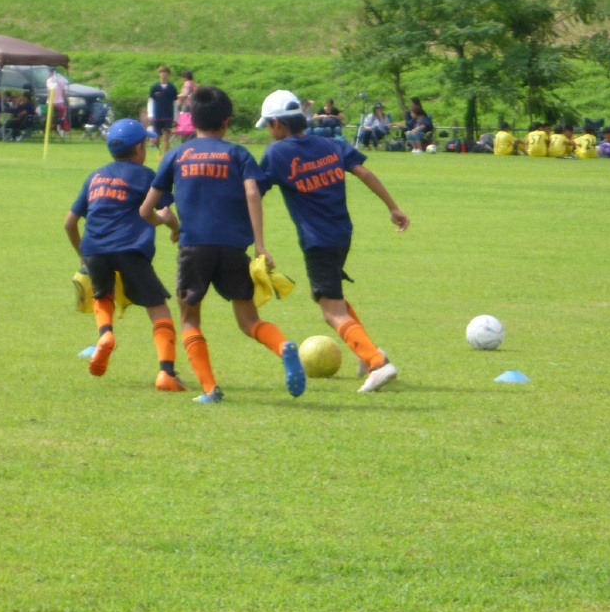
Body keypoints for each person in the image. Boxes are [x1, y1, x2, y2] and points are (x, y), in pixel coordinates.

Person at [140, 85, 305, 404]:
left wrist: (167, 223)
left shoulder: (176, 155)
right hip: (233, 249)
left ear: (191, 120)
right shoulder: (238, 154)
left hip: (194, 248)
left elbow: (146, 210)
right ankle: (282, 345)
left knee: (190, 319)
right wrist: (260, 246)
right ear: (227, 122)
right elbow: (253, 192)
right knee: (249, 320)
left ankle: (209, 389)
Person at [256, 89, 409, 393]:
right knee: (330, 298)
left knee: (331, 310)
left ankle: (377, 362)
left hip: (318, 241)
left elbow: (253, 192)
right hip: (342, 234)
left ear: (277, 123)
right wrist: (392, 207)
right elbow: (364, 172)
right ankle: (367, 353)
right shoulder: (330, 144)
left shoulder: (277, 153)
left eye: (268, 126)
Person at [65, 119, 186, 390]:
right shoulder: (146, 176)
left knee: (103, 295)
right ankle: (167, 373)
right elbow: (165, 212)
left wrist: (82, 255)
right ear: (139, 148)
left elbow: (69, 222)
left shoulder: (96, 176)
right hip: (130, 250)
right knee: (158, 308)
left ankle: (105, 334)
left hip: (94, 249)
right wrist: (174, 228)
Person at [148, 66, 177, 153]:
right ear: (159, 74)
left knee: (166, 137)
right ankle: (158, 150)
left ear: (168, 74)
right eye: (161, 72)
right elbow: (150, 101)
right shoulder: (154, 87)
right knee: (156, 137)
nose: (163, 74)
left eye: (165, 72)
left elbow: (175, 104)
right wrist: (150, 114)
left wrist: (176, 118)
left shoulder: (172, 88)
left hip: (168, 115)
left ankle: (166, 156)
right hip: (157, 115)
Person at [46, 68, 70, 139]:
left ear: (51, 73)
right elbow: (63, 92)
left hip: (52, 102)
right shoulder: (61, 80)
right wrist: (65, 100)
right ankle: (61, 129)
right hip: (60, 102)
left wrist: (48, 100)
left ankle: (51, 130)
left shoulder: (49, 80)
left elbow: (49, 91)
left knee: (50, 118)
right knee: (61, 117)